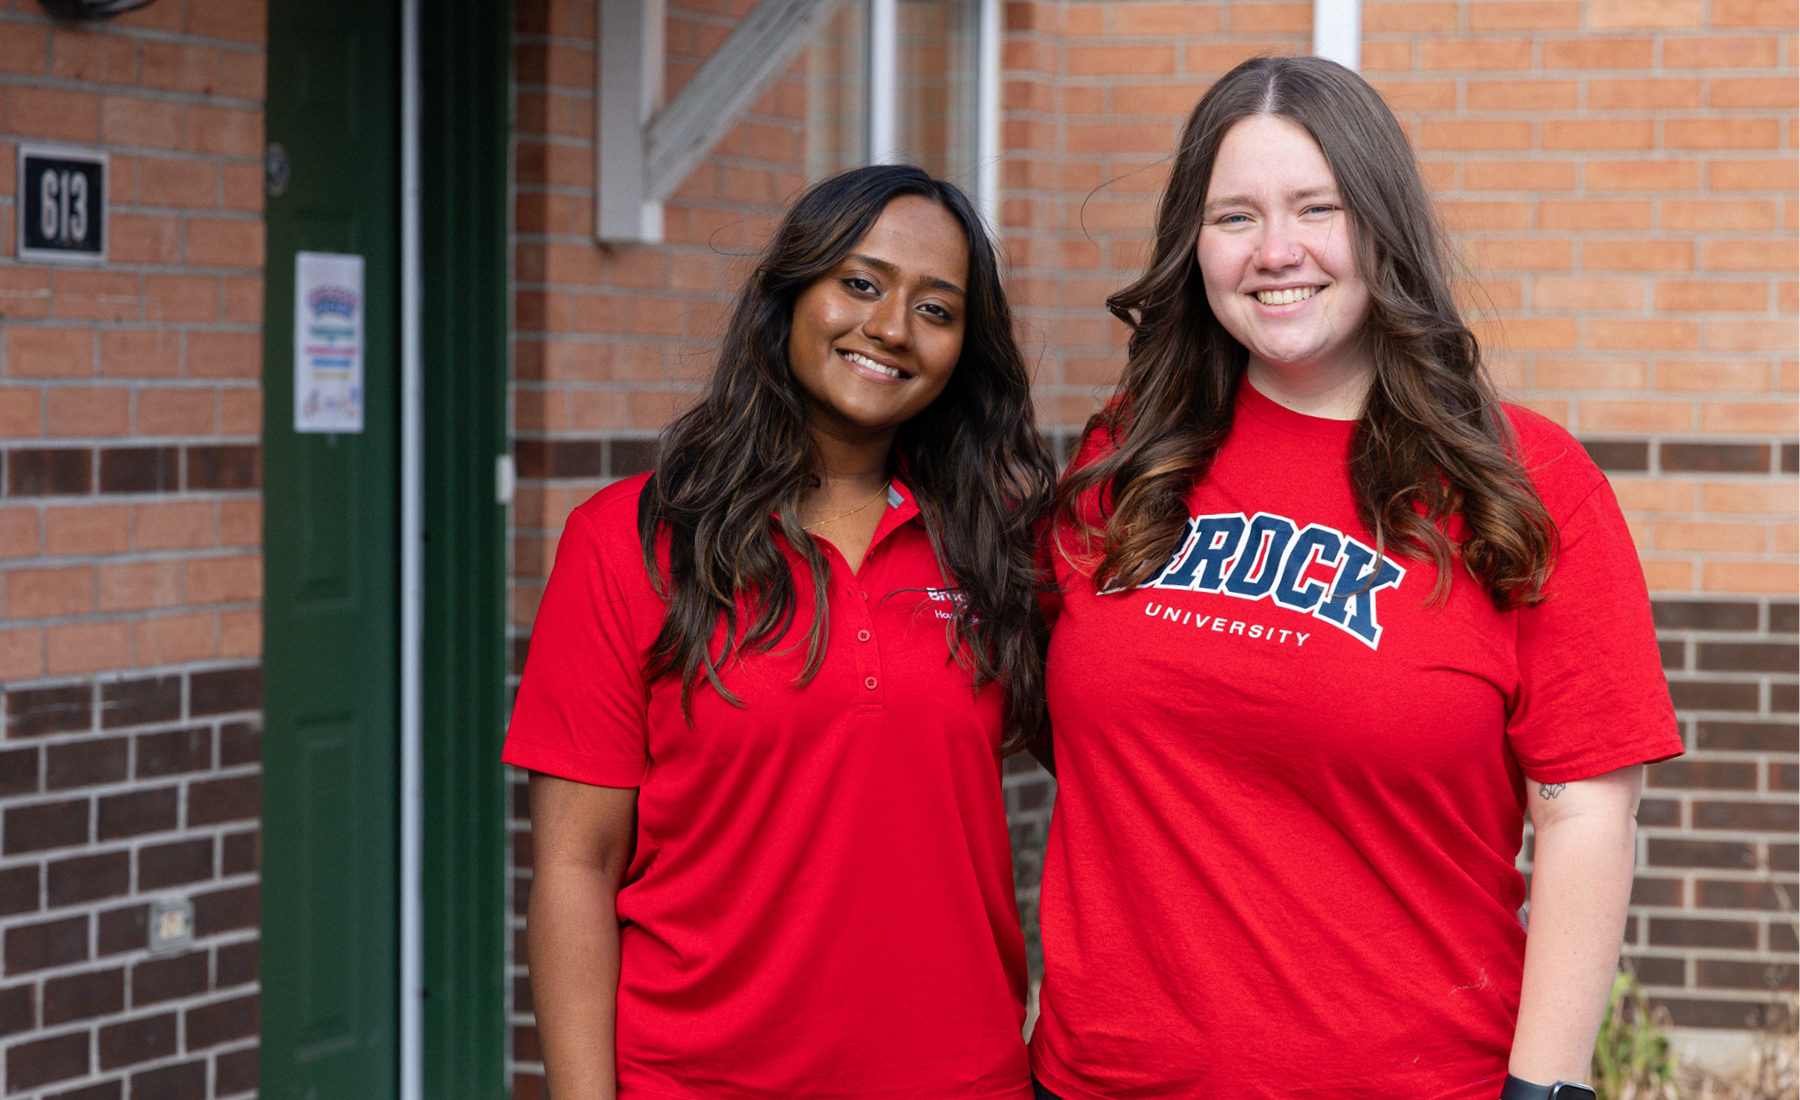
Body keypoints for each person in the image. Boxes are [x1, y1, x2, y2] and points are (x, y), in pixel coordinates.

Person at [1029, 56, 1683, 1100]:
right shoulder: (1128, 458)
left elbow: (1586, 815)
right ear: (1193, 246)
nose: (1275, 251)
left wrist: (1545, 1087)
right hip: (1103, 1078)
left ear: (1381, 224)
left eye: (1316, 208)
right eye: (1234, 216)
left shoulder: (1525, 481)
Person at [504, 164, 1054, 1100]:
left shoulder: (998, 548)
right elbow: (574, 865)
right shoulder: (628, 541)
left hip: (962, 1080)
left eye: (937, 309)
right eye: (862, 283)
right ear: (790, 293)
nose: (889, 328)